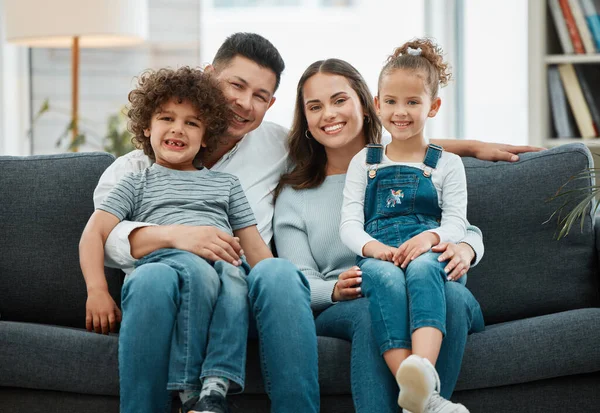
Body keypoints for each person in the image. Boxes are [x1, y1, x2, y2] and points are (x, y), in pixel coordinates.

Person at [94, 32, 540, 413]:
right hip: (236, 286)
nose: (245, 105)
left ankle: (427, 403)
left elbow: (405, 145)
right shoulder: (141, 168)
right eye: (236, 85)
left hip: (387, 279)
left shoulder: (292, 148)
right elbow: (103, 235)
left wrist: (473, 151)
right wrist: (172, 235)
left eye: (261, 96)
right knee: (325, 290)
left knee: (449, 300)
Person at [273, 55, 484, 413]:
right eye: (315, 106)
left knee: (453, 295)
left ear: (364, 104)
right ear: (305, 120)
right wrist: (335, 290)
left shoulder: (401, 162)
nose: (329, 114)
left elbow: (457, 224)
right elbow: (298, 280)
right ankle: (420, 397)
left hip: (421, 272)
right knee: (371, 310)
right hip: (351, 298)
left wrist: (465, 247)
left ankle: (426, 402)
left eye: (339, 100)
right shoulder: (295, 195)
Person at [82, 67, 273, 413]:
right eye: (166, 118)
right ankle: (188, 390)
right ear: (146, 127)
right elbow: (94, 233)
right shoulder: (135, 182)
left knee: (236, 273)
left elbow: (256, 248)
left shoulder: (226, 185)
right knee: (193, 267)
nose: (177, 129)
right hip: (168, 260)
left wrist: (277, 289)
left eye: (192, 123)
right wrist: (97, 290)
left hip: (223, 263)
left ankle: (215, 387)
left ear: (206, 135)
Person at [339, 38, 475, 413]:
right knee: (382, 278)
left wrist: (429, 238)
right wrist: (374, 249)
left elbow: (456, 223)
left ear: (433, 106)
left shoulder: (447, 164)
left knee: (423, 267)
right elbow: (350, 223)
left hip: (429, 255)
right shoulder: (363, 162)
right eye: (392, 102)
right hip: (381, 254)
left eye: (413, 102)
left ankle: (424, 373)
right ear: (378, 104)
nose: (401, 112)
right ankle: (425, 399)